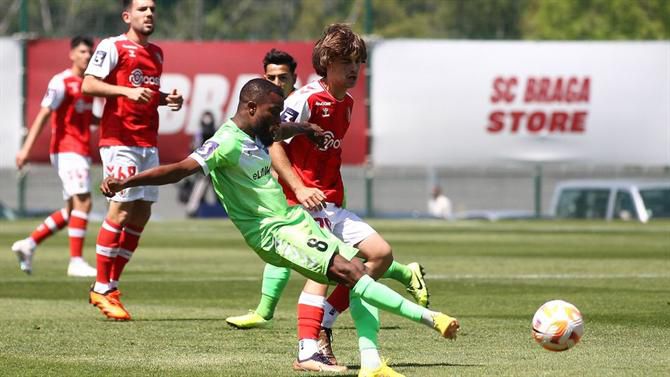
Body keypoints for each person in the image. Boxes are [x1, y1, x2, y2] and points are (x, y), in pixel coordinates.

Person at [100, 78, 460, 377]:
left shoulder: (261, 132)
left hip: (293, 220)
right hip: (273, 233)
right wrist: (128, 182)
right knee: (349, 272)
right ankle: (431, 320)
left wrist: (305, 128)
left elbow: (281, 129)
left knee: (357, 266)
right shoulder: (224, 142)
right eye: (272, 111)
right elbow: (181, 168)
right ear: (250, 108)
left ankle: (365, 361)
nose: (277, 120)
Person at [81, 0, 183, 321]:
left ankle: (111, 285)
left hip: (146, 143)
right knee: (122, 209)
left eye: (152, 9)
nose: (149, 14)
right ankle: (100, 287)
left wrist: (166, 99)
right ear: (127, 16)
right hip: (119, 141)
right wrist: (125, 93)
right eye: (142, 9)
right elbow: (89, 84)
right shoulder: (114, 46)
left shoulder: (157, 54)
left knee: (140, 214)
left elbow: (145, 93)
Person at [11, 36, 98, 277]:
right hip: (66, 149)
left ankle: (28, 244)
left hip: (80, 149)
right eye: (82, 51)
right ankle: (76, 261)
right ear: (71, 54)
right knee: (84, 201)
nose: (87, 56)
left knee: (72, 210)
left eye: (89, 52)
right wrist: (26, 149)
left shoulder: (89, 84)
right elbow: (43, 115)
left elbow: (87, 117)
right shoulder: (61, 82)